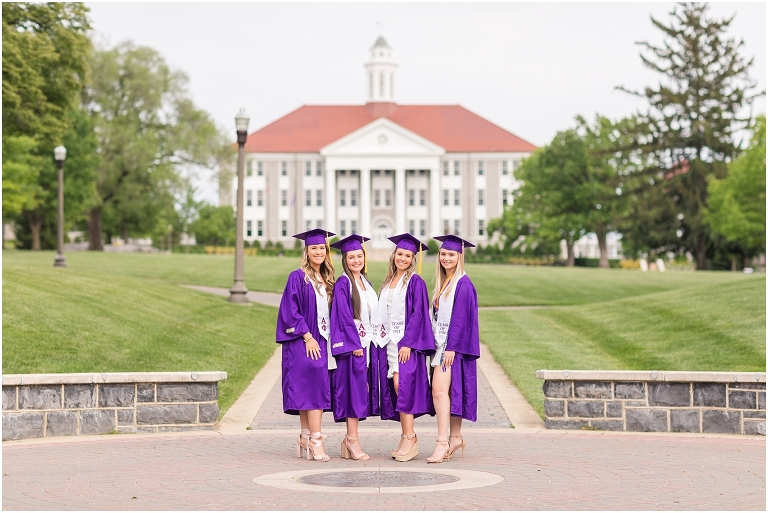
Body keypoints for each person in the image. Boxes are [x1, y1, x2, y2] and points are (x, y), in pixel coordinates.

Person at [275, 229, 336, 462]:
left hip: (322, 339)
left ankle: (304, 436)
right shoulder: (297, 277)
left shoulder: (327, 279)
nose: (318, 252)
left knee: (309, 389)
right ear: (307, 251)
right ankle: (316, 441)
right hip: (305, 340)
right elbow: (290, 311)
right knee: (314, 389)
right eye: (314, 248)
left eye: (322, 248)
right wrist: (307, 336)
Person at [376, 233, 435, 462]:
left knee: (404, 386)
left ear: (413, 259)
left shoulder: (415, 282)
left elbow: (419, 314)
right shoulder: (388, 281)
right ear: (394, 256)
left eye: (407, 255)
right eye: (400, 254)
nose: (403, 258)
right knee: (397, 387)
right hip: (389, 341)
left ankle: (410, 437)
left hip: (404, 343)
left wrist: (408, 342)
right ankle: (405, 437)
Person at [427, 234, 480, 464]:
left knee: (439, 391)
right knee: (450, 393)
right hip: (443, 344)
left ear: (460, 257)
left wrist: (451, 348)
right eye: (443, 254)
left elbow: (460, 319)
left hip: (450, 349)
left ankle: (442, 442)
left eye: (451, 254)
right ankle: (455, 437)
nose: (446, 258)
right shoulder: (446, 281)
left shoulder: (463, 284)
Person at [329, 234, 377, 461]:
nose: (356, 260)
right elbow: (342, 316)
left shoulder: (365, 282)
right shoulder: (343, 283)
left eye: (359, 256)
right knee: (353, 393)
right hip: (354, 348)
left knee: (360, 392)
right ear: (344, 260)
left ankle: (351, 439)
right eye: (351, 257)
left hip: (366, 345)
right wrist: (354, 344)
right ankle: (352, 440)